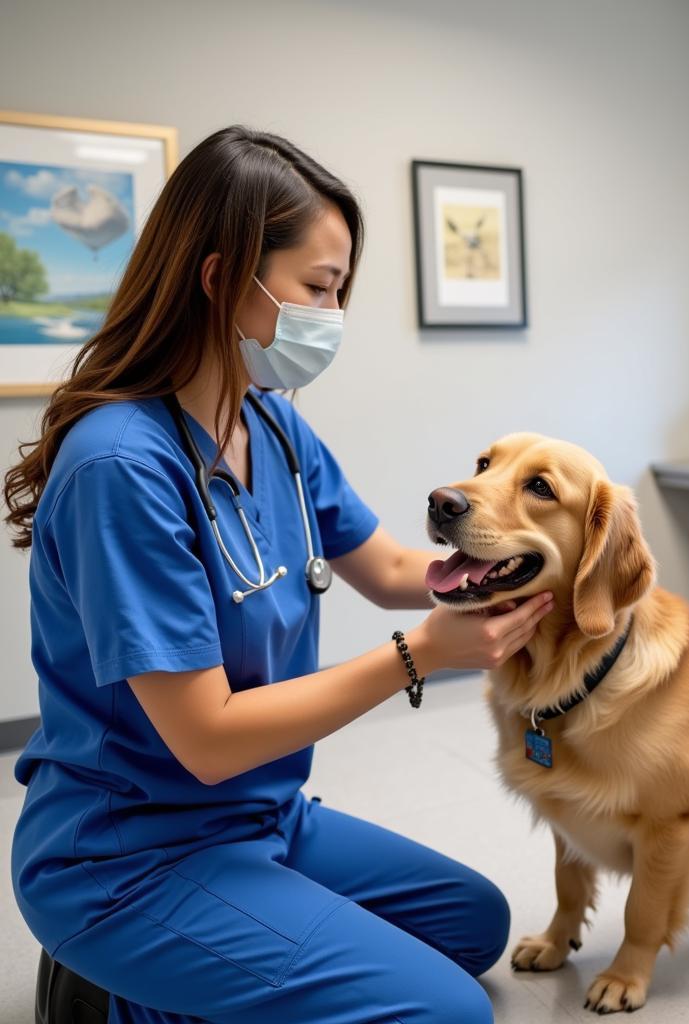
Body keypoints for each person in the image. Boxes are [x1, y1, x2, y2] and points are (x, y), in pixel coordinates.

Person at [4, 125, 554, 1024]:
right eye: (319, 288)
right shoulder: (122, 468)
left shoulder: (272, 425)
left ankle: (204, 961)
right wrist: (420, 655)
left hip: (256, 818)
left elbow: (383, 566)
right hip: (126, 857)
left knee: (472, 924)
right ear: (221, 279)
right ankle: (108, 991)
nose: (331, 317)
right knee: (450, 1014)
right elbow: (209, 737)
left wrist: (508, 568)